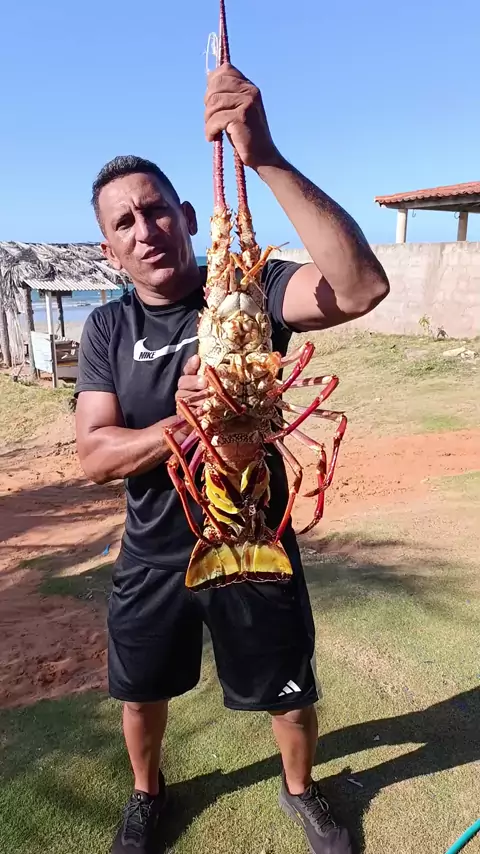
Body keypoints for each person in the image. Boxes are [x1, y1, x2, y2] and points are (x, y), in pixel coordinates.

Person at [75, 62, 389, 854]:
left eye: (156, 209)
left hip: (255, 535)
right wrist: (181, 425)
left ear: (186, 216)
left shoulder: (250, 287)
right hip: (155, 551)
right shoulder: (107, 331)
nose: (145, 229)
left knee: (289, 691)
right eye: (124, 222)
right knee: (140, 692)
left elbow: (360, 289)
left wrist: (265, 157)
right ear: (111, 250)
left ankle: (301, 790)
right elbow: (94, 455)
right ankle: (147, 794)